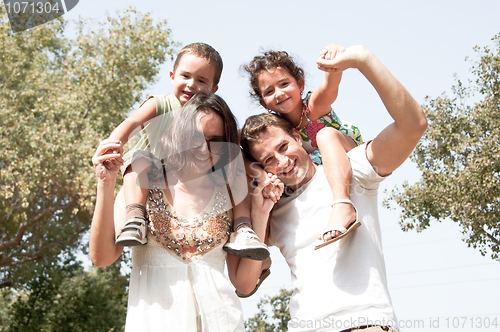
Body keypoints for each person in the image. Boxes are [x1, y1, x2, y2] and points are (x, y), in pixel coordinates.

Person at [240, 45, 427, 331]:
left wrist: (363, 60)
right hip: (304, 326)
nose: (282, 161)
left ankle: (342, 206)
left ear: (296, 136)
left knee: (329, 134)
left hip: (363, 322)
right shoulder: (273, 208)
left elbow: (413, 125)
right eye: (269, 160)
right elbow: (246, 283)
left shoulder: (350, 171)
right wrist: (262, 211)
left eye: (283, 147)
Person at [90, 93, 270, 331]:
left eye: (214, 141)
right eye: (195, 138)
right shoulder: (142, 184)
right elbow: (101, 258)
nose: (203, 149)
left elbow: (245, 284)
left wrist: (260, 214)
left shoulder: (232, 194)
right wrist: (105, 183)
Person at [102, 42, 269, 261]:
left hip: (192, 181)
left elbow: (237, 146)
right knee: (138, 157)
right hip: (151, 178)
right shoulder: (160, 105)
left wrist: (261, 174)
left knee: (234, 157)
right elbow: (132, 122)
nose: (191, 85)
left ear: (213, 88)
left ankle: (243, 229)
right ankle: (135, 217)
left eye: (201, 81)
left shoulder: (211, 117)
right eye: (185, 76)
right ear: (172, 76)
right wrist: (112, 145)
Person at [242, 44, 363, 249]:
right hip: (314, 167)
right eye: (269, 91)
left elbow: (330, 87)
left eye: (284, 84)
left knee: (324, 135)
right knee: (256, 168)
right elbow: (238, 142)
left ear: (300, 84)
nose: (279, 93)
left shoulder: (313, 105)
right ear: (263, 103)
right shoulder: (276, 127)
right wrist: (263, 177)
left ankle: (342, 204)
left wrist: (334, 62)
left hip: (345, 148)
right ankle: (256, 248)